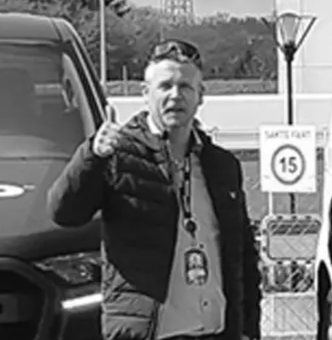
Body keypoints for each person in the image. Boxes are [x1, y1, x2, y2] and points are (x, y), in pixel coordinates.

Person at [47, 39, 261, 340]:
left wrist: (250, 329)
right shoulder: (118, 155)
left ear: (201, 95)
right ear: (145, 94)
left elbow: (243, 259)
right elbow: (64, 212)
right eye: (165, 86)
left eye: (185, 87)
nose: (175, 96)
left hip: (217, 331)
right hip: (149, 332)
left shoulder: (222, 166)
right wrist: (92, 156)